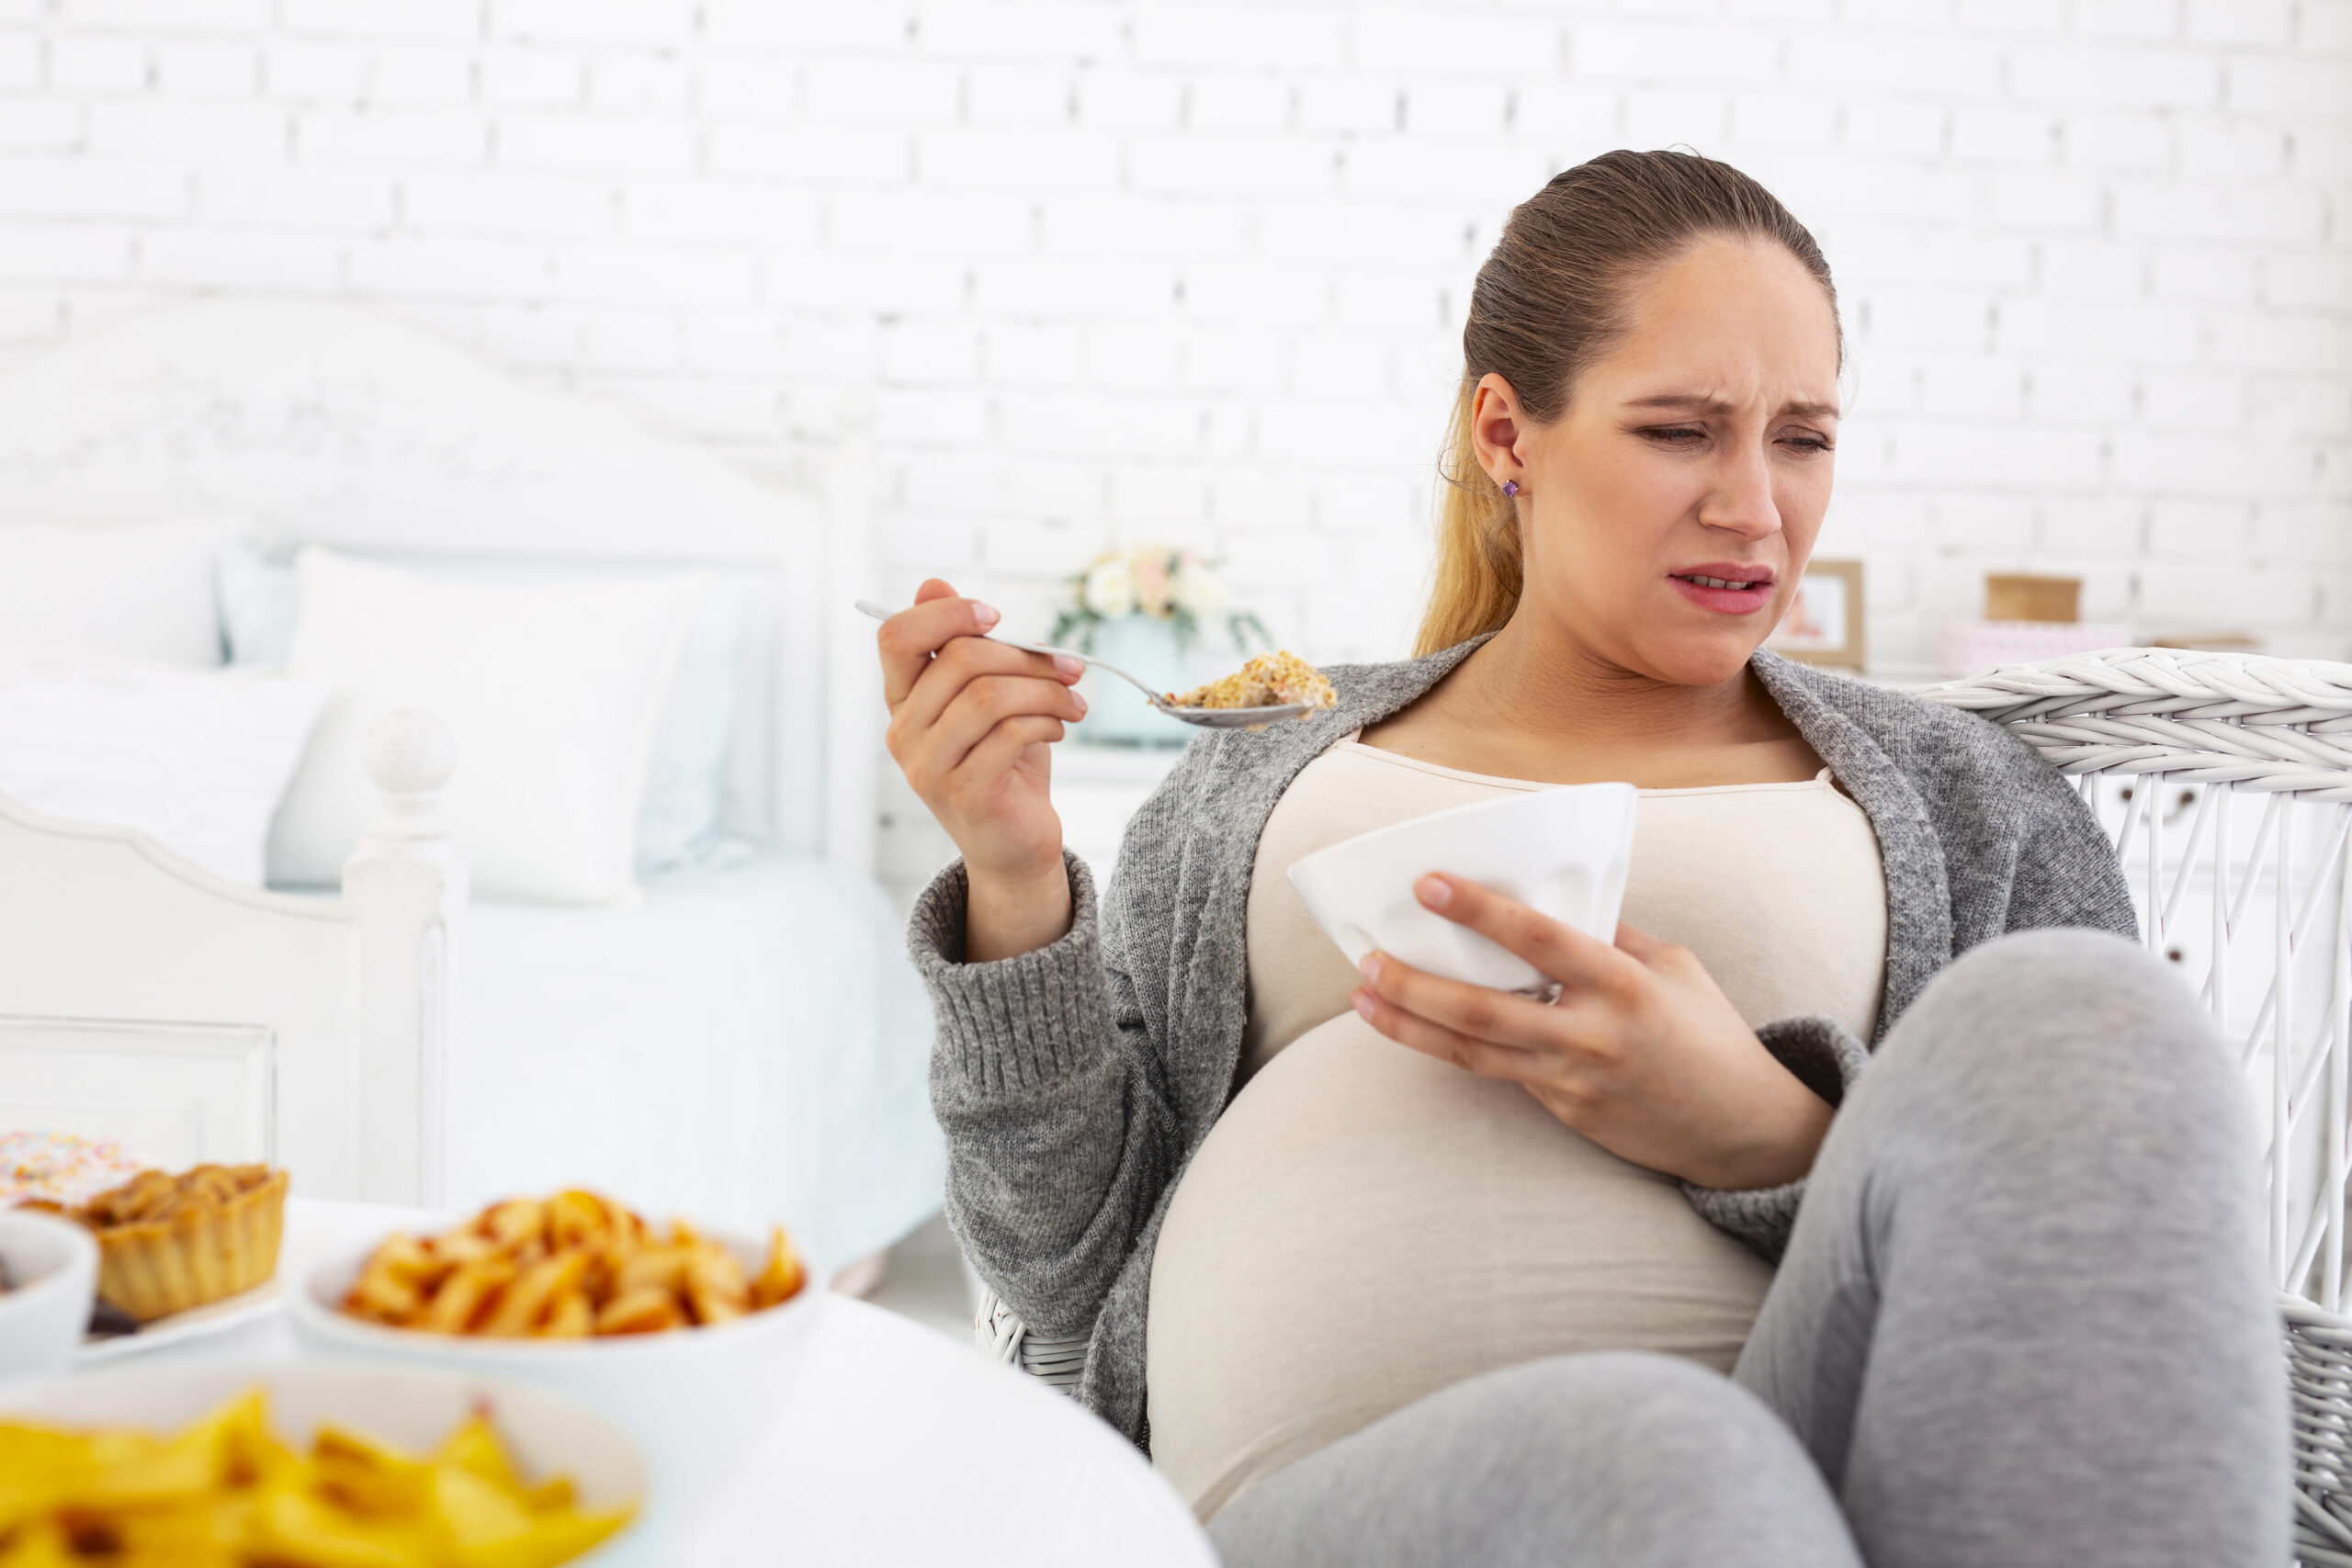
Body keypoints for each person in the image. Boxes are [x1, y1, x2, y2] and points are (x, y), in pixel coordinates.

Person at [874, 150, 2287, 1567]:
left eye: (1803, 439)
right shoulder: (1260, 759)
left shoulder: (1965, 799)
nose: (1757, 506)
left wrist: (1765, 1132)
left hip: (1819, 1464)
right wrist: (1013, 878)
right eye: (1682, 430)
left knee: (2097, 1023)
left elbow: (2083, 1262)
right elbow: (1058, 1266)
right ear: (1508, 433)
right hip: (1332, 1513)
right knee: (1658, 1458)